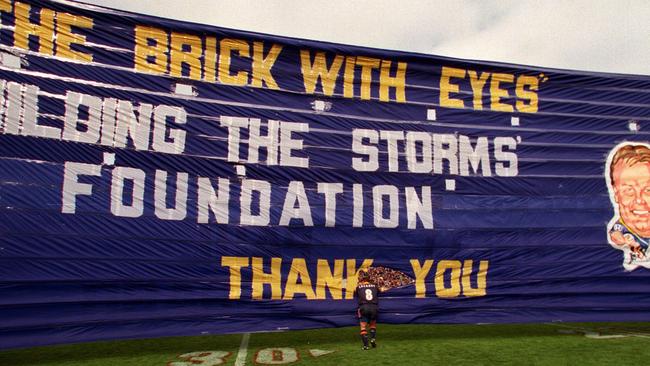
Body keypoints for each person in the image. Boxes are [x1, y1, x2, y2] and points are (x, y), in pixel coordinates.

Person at [606, 143, 650, 270]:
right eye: (628, 190)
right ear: (615, 193)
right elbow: (616, 235)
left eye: (648, 190)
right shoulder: (621, 229)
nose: (639, 200)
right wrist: (626, 242)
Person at [354, 269, 379, 350]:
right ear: (369, 279)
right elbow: (380, 290)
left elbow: (355, 292)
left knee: (363, 326)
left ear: (362, 279)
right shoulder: (375, 286)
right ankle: (373, 339)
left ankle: (366, 346)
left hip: (364, 307)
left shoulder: (359, 287)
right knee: (372, 325)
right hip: (374, 306)